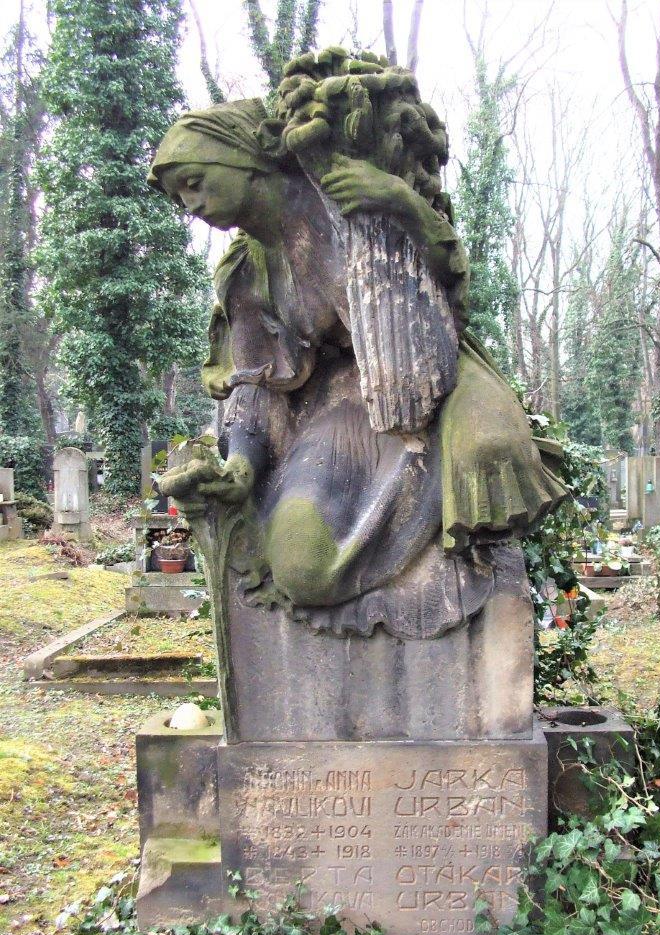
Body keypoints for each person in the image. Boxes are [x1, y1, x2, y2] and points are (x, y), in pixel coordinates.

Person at [148, 93, 566, 639]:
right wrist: (241, 468)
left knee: (489, 451)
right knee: (305, 568)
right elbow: (253, 386)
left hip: (433, 377)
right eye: (180, 196)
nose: (191, 204)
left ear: (242, 156)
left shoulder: (345, 202)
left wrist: (403, 202)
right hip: (337, 413)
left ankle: (461, 567)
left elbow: (447, 297)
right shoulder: (244, 273)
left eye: (195, 181)